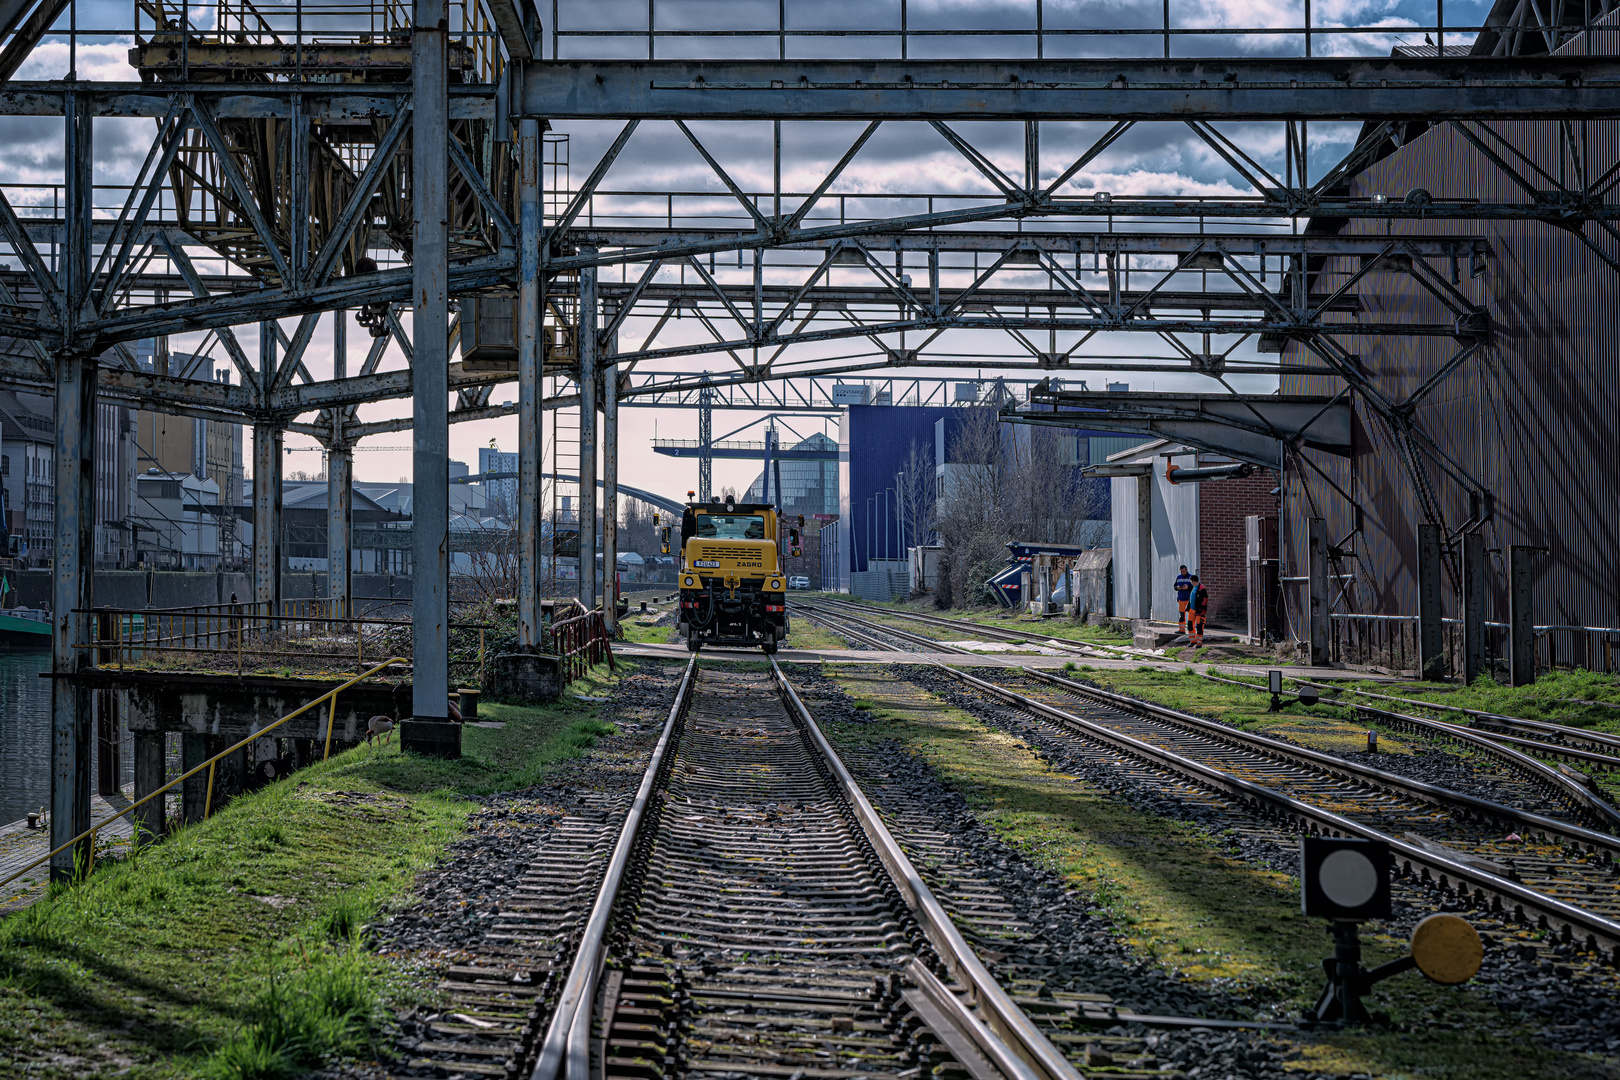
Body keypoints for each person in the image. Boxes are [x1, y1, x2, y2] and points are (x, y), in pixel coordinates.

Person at [1188, 573, 1210, 646]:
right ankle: (1192, 640)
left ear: (1194, 581)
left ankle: (1199, 642)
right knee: (1190, 624)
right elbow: (1191, 598)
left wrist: (1201, 608)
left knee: (1199, 626)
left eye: (1191, 581)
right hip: (1192, 609)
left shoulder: (1202, 588)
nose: (1191, 583)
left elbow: (1205, 599)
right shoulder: (1194, 587)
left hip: (1199, 611)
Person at [1173, 565, 1193, 630]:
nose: (1183, 573)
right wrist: (1178, 588)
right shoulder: (1178, 577)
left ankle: (1191, 629)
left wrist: (1188, 587)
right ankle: (1181, 629)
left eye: (1184, 571)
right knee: (1182, 614)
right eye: (1181, 571)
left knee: (1191, 614)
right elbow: (1175, 586)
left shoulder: (1191, 577)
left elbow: (1195, 587)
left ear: (1187, 570)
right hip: (1181, 598)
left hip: (1189, 598)